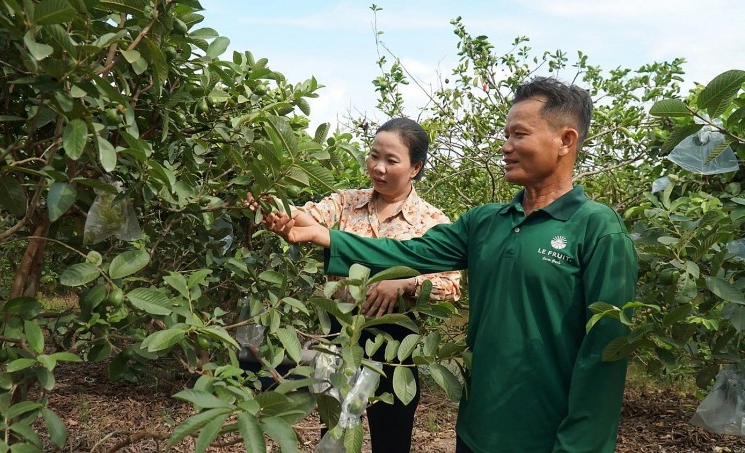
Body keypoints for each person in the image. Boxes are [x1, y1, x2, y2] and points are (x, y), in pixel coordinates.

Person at [262, 77, 638, 453]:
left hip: (547, 436)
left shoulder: (597, 229)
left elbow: (605, 352)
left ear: (565, 141)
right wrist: (324, 235)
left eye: (519, 135)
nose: (506, 146)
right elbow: (409, 253)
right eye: (506, 135)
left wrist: (580, 444)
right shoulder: (485, 222)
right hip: (476, 428)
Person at [263, 117, 461, 452]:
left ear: (415, 168)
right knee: (334, 433)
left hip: (395, 342)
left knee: (391, 435)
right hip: (340, 332)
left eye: (391, 160)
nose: (378, 167)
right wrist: (279, 211)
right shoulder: (346, 202)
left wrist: (406, 284)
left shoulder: (432, 221)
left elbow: (451, 286)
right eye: (374, 156)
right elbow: (309, 217)